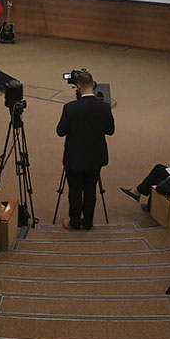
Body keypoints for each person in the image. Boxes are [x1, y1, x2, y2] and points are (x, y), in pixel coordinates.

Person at [56, 72, 115, 229]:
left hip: (74, 157)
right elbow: (110, 130)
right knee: (90, 190)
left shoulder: (70, 108)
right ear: (93, 85)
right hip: (96, 157)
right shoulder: (104, 107)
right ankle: (88, 222)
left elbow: (60, 131)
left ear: (78, 86)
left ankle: (74, 221)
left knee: (75, 191)